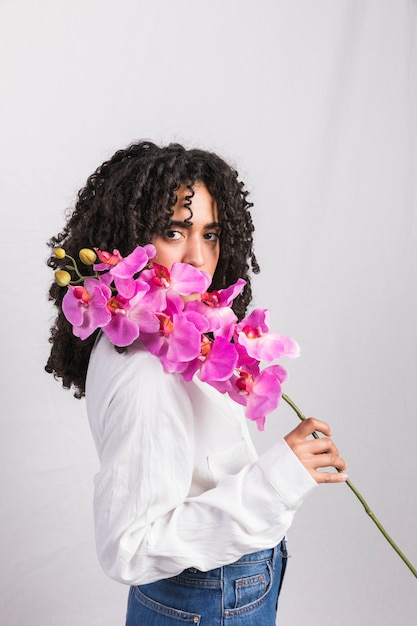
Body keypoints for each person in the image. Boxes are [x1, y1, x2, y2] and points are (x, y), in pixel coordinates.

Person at [46, 141, 347, 625]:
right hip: (207, 600)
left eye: (211, 234)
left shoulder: (171, 336)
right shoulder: (145, 370)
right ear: (127, 237)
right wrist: (280, 475)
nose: (198, 258)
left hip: (207, 594)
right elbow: (130, 548)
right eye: (173, 232)